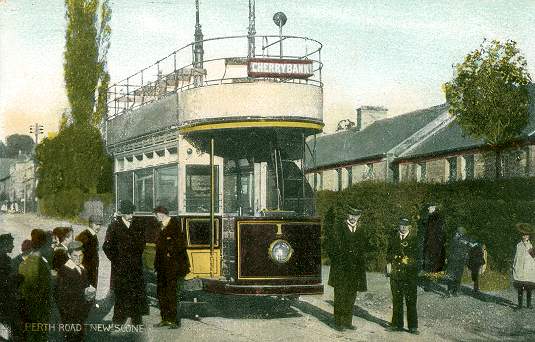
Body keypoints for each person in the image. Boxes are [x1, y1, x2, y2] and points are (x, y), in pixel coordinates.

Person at [103, 200, 148, 325]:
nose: (131, 216)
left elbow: (142, 243)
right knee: (121, 293)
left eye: (132, 212)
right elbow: (106, 246)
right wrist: (116, 259)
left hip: (135, 266)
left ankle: (136, 320)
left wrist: (137, 255)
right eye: (128, 213)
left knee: (136, 293)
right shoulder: (114, 226)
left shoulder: (137, 225)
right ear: (123, 214)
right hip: (120, 267)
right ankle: (118, 320)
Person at [325, 206, 367, 331]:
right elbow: (330, 247)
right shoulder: (338, 228)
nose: (353, 218)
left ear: (359, 217)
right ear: (347, 215)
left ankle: (348, 322)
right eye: (351, 215)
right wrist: (338, 261)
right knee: (340, 295)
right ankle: (338, 322)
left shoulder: (361, 230)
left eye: (356, 215)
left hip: (355, 270)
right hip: (341, 269)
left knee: (351, 295)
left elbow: (362, 250)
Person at [153, 206, 190, 329]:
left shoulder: (175, 225)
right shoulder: (161, 226)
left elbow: (180, 245)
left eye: (156, 215)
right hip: (162, 267)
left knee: (172, 294)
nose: (155, 217)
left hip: (174, 267)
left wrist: (169, 251)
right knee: (162, 293)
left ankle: (175, 320)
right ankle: (165, 319)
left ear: (161, 214)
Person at [55, 240, 96, 342]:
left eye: (81, 255)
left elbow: (85, 285)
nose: (78, 258)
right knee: (71, 337)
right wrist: (83, 292)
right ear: (69, 255)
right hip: (70, 312)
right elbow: (62, 294)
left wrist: (89, 293)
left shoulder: (83, 269)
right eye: (75, 256)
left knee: (79, 336)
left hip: (81, 310)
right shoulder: (64, 270)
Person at [386, 218, 419, 335]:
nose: (404, 227)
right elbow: (388, 253)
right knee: (397, 300)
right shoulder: (393, 238)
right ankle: (397, 324)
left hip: (410, 275)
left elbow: (418, 258)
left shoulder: (415, 239)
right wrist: (389, 263)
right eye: (401, 225)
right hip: (396, 274)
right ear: (398, 226)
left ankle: (413, 326)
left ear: (410, 227)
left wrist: (408, 261)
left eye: (406, 225)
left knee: (411, 301)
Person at [18, 229, 52, 342]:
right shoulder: (40, 264)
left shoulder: (25, 262)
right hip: (38, 312)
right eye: (49, 244)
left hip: (27, 310)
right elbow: (44, 291)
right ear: (44, 245)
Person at [0, 233, 21, 341]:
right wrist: (18, 278)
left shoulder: (5, 259)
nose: (13, 246)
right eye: (11, 244)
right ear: (4, 244)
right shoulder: (4, 260)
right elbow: (5, 282)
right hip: (5, 301)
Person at [445, 227, 478, 296]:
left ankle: (453, 291)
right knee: (454, 275)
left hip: (457, 260)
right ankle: (453, 291)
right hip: (456, 260)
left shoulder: (459, 239)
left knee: (455, 275)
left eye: (459, 233)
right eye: (458, 233)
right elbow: (469, 248)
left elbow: (469, 248)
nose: (458, 234)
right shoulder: (457, 239)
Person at [512, 223, 535, 310]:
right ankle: (520, 305)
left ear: (529, 236)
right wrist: (514, 266)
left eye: (526, 235)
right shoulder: (518, 245)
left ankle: (528, 304)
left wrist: (529, 247)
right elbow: (516, 257)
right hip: (520, 269)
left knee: (529, 287)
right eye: (523, 235)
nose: (524, 237)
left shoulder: (531, 245)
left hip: (529, 269)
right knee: (520, 288)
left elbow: (533, 256)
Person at [76, 216, 101, 289]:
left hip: (92, 269)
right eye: (96, 225)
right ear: (90, 224)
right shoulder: (85, 236)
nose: (98, 227)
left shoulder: (93, 235)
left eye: (100, 225)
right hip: (86, 270)